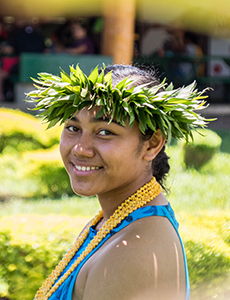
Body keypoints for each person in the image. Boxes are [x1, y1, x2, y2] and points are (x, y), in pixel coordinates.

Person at [26, 64, 210, 300]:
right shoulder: (113, 221)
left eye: (105, 132)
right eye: (73, 128)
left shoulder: (133, 250)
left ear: (152, 144)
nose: (81, 149)